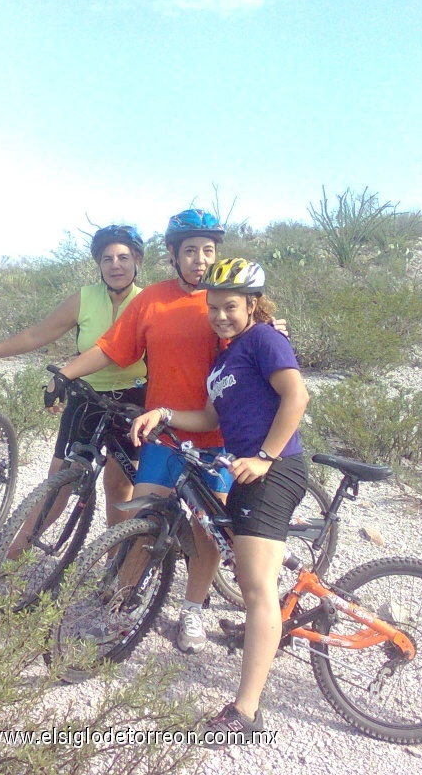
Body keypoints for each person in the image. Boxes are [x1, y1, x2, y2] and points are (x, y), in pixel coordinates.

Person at [45, 209, 287, 654]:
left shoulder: (225, 302)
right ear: (173, 255)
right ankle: (121, 601)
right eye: (190, 250)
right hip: (167, 434)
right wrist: (65, 372)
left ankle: (191, 609)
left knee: (206, 530)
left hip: (217, 437)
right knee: (143, 518)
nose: (199, 259)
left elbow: (265, 347)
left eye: (208, 250)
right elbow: (110, 349)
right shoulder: (152, 299)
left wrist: (274, 330)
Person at [129, 257, 309, 745]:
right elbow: (210, 417)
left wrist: (267, 456)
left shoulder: (265, 339)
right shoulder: (227, 355)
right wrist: (163, 412)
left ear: (252, 304)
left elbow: (297, 397)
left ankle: (246, 711)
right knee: (243, 559)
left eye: (230, 306)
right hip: (247, 467)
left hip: (274, 468)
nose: (220, 315)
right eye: (213, 307)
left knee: (254, 587)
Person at [0, 224, 147, 549]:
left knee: (117, 485)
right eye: (107, 258)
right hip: (86, 397)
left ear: (137, 261)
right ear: (98, 264)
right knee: (58, 480)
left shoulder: (148, 302)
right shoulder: (85, 298)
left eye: (123, 257)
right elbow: (37, 334)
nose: (115, 265)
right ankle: (12, 559)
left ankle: (116, 565)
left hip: (132, 399)